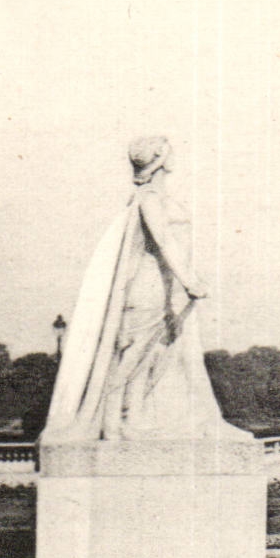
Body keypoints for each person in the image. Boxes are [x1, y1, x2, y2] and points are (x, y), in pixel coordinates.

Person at [42, 137, 248, 443]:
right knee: (135, 357)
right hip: (148, 290)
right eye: (169, 151)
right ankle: (117, 421)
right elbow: (163, 240)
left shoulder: (156, 199)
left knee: (156, 357)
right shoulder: (149, 199)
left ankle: (137, 419)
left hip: (168, 291)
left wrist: (186, 281)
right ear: (161, 158)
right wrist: (190, 280)